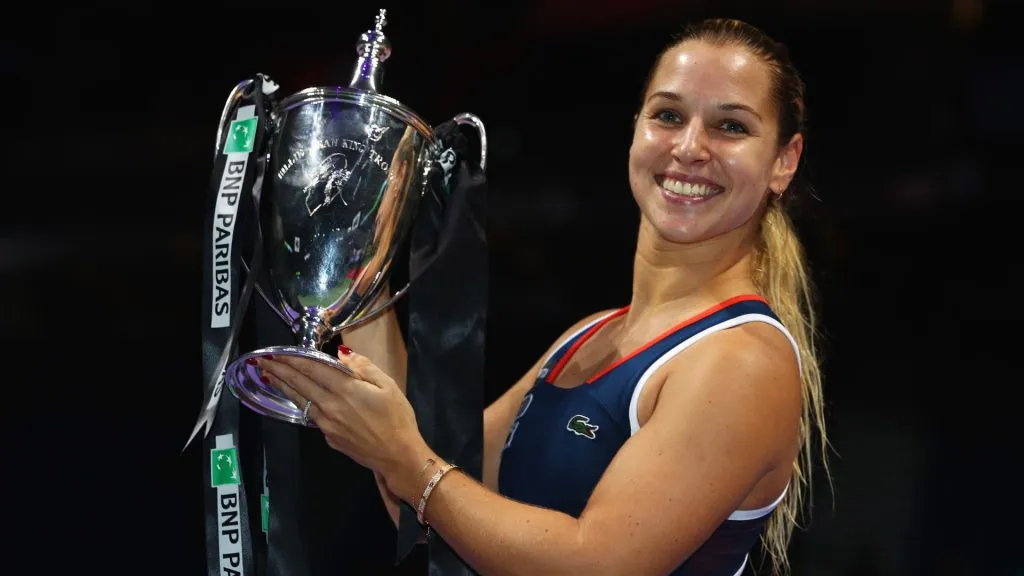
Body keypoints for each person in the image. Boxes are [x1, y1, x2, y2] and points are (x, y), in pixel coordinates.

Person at [256, 17, 830, 576]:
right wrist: (360, 263)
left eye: (731, 127)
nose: (690, 147)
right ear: (636, 129)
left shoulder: (740, 360)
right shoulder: (589, 335)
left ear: (784, 161)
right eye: (669, 115)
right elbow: (443, 499)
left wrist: (409, 462)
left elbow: (596, 562)